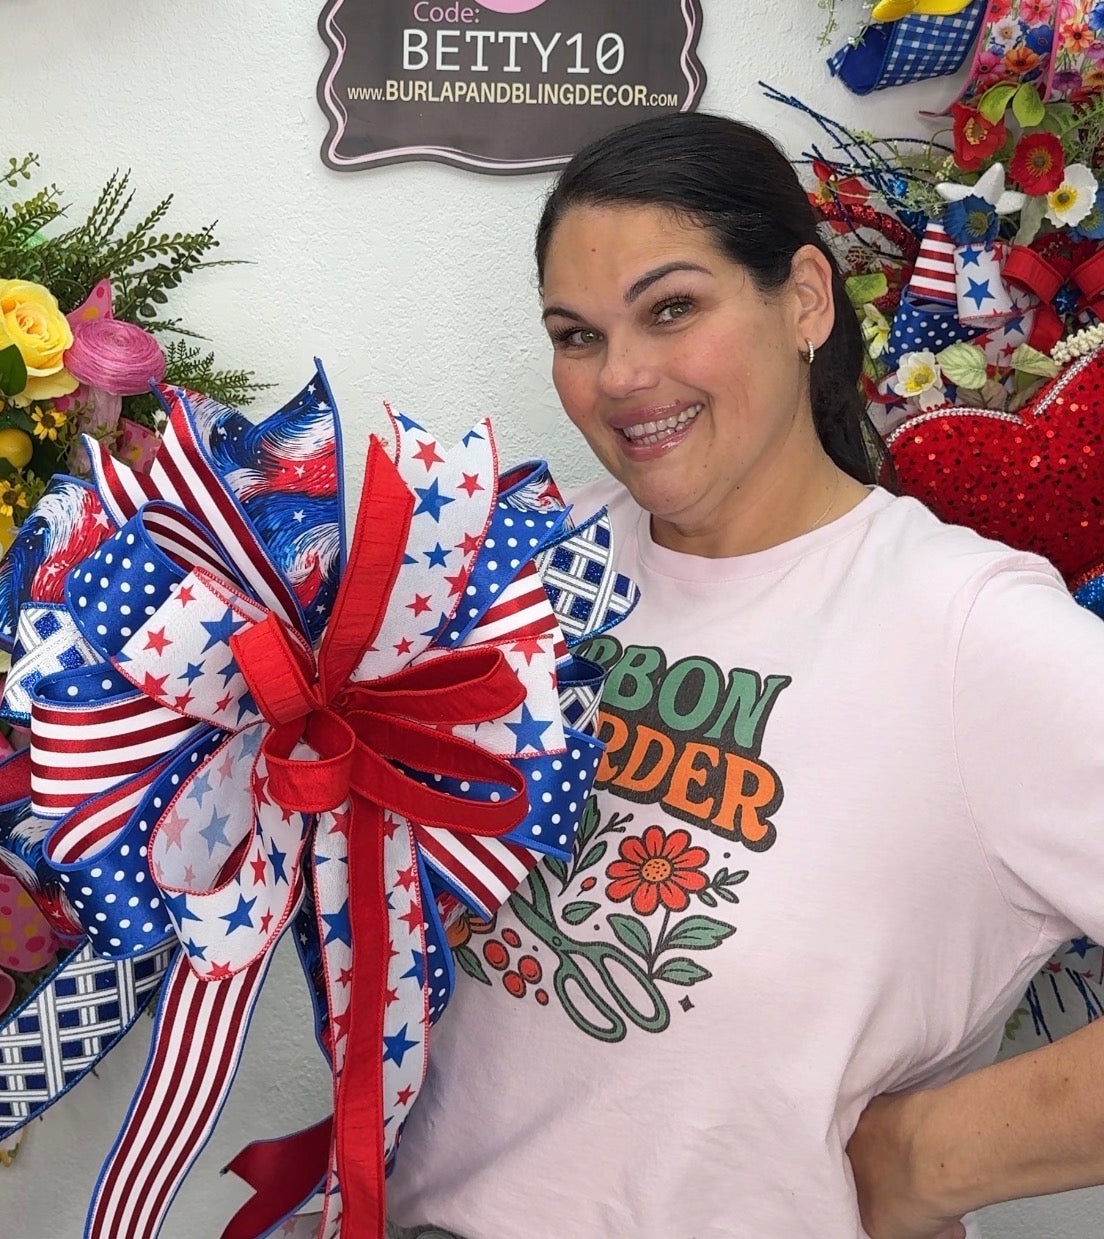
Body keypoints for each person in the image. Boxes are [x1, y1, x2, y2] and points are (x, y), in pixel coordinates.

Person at [386, 112, 1104, 1239]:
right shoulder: (534, 569)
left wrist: (930, 1160)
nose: (620, 377)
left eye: (672, 309)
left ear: (806, 300)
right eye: (576, 336)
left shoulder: (967, 628)